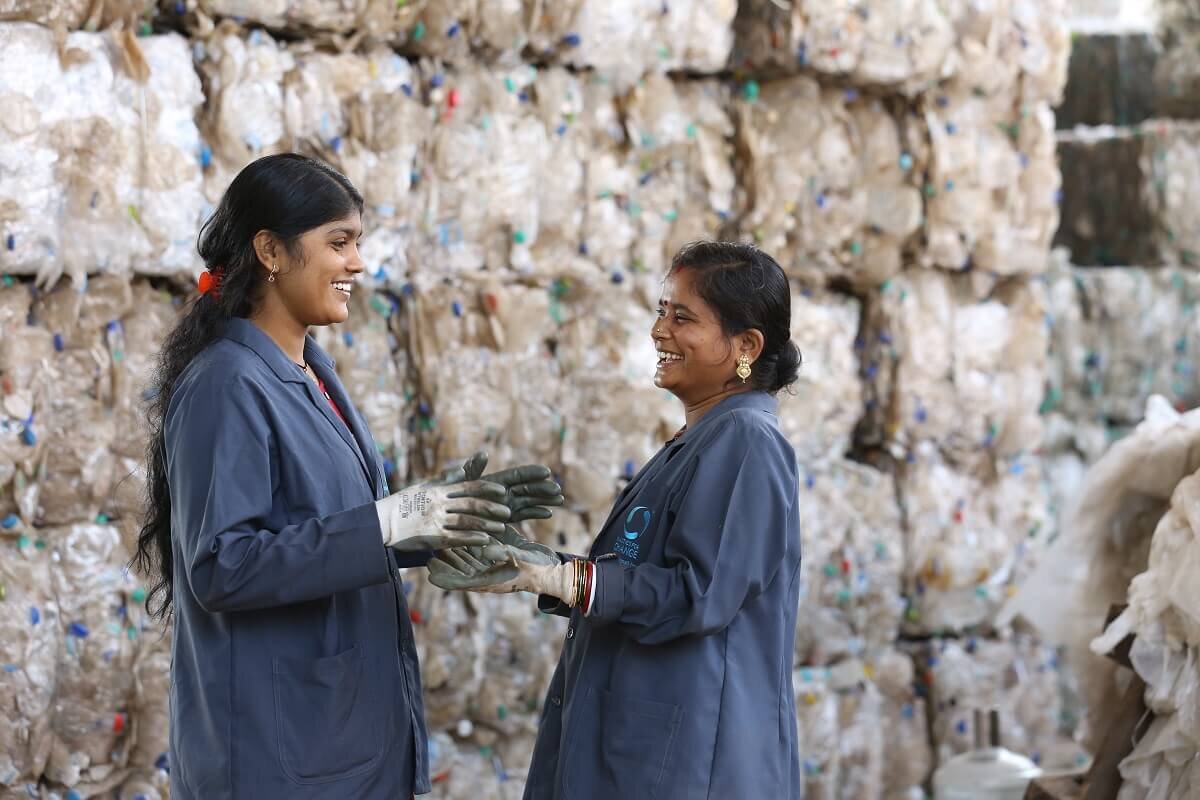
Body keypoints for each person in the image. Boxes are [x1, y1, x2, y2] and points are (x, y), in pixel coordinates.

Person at [132, 153, 562, 799]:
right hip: (277, 747)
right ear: (271, 251)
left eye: (358, 242)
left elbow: (327, 526)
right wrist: (386, 522)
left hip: (338, 733)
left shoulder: (311, 370)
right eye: (339, 243)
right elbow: (223, 565)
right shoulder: (228, 383)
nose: (357, 263)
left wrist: (440, 522)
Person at [430, 241, 805, 799]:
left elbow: (698, 593)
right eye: (661, 311)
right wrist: (541, 566)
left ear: (745, 345)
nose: (659, 331)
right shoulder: (702, 439)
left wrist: (566, 580)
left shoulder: (746, 440)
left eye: (683, 317)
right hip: (645, 749)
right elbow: (638, 570)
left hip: (693, 762)